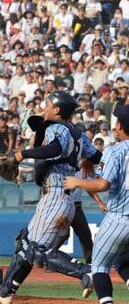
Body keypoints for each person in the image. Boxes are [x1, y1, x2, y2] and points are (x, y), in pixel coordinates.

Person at [0, 91, 102, 303]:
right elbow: (96, 156)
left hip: (56, 194)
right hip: (64, 197)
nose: (44, 107)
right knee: (25, 243)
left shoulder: (56, 127)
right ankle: (6, 291)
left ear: (57, 109)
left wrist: (22, 154)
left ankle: (87, 272)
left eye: (47, 104)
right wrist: (85, 162)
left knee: (38, 250)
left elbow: (55, 148)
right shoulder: (79, 133)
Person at [64, 104, 129, 304]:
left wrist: (77, 181)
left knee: (99, 266)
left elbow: (102, 184)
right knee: (122, 259)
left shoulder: (115, 151)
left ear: (119, 125)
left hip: (120, 218)